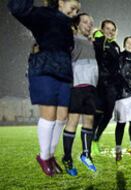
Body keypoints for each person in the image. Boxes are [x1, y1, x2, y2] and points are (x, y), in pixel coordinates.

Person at [8, 0, 80, 176]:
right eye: (73, 6)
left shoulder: (68, 24)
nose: (75, 11)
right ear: (61, 2)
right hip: (45, 69)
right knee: (49, 115)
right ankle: (44, 156)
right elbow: (18, 8)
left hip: (64, 73)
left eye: (78, 9)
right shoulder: (44, 14)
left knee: (62, 117)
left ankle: (51, 155)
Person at [61, 12, 98, 176]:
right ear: (76, 24)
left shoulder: (91, 42)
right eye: (85, 22)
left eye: (90, 22)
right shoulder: (71, 39)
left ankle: (86, 154)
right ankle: (67, 157)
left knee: (89, 120)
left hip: (90, 87)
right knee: (73, 121)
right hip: (76, 85)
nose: (89, 25)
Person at [91, 19, 122, 154]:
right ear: (102, 29)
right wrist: (98, 36)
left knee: (108, 114)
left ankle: (96, 138)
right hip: (100, 83)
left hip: (112, 86)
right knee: (97, 114)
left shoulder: (116, 46)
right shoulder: (99, 42)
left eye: (113, 29)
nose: (110, 31)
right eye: (107, 28)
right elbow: (96, 49)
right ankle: (90, 142)